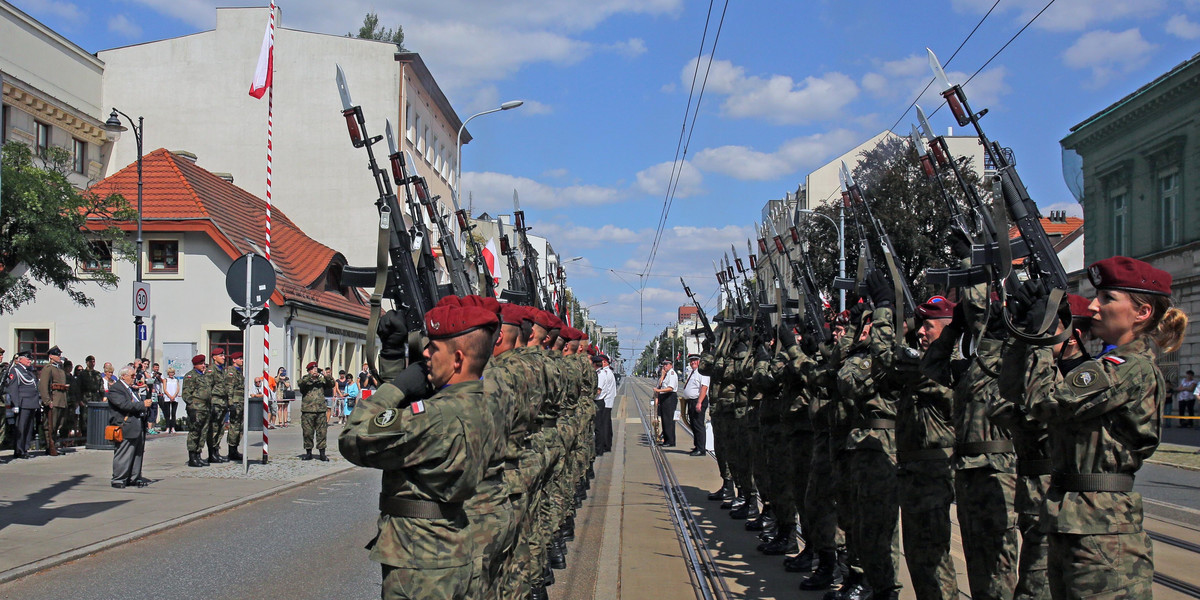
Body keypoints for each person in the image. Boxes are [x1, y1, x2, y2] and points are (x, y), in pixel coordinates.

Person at [1005, 257, 1188, 598]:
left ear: (1142, 312)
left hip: (1101, 533)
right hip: (1074, 520)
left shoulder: (1129, 368)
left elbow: (1046, 402)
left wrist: (1043, 335)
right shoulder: (1110, 365)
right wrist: (1024, 331)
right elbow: (1014, 389)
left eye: (1107, 299)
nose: (1093, 306)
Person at [340, 296, 500, 600]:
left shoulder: (435, 417)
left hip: (420, 559)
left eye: (434, 348)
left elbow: (352, 438)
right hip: (455, 546)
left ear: (457, 359)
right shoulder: (484, 403)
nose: (425, 353)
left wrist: (396, 388)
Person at [109, 364, 153, 488]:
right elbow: (124, 405)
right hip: (125, 425)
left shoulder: (132, 389)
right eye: (132, 376)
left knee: (137, 453)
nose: (134, 378)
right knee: (124, 453)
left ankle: (134, 477)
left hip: (137, 424)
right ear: (123, 376)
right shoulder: (116, 389)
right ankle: (119, 478)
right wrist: (142, 404)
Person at [5, 350, 40, 459]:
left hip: (32, 403)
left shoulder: (29, 371)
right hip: (23, 403)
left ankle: (25, 448)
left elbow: (35, 387)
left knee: (29, 428)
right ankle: (19, 450)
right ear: (21, 359)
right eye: (28, 359)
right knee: (21, 427)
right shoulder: (15, 371)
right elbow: (13, 388)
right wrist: (15, 404)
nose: (30, 361)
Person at [298, 362, 332, 461]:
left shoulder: (321, 380)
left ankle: (322, 453)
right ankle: (308, 453)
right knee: (308, 433)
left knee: (322, 433)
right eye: (313, 369)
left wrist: (326, 376)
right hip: (308, 411)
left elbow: (331, 384)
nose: (315, 371)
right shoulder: (305, 379)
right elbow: (301, 384)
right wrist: (310, 377)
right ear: (309, 370)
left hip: (320, 410)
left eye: (316, 369)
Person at [37, 346, 68, 456]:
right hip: (53, 399)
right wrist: (47, 401)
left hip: (61, 400)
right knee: (50, 425)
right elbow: (43, 386)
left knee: (58, 424)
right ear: (51, 356)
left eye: (59, 354)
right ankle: (50, 446)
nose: (59, 356)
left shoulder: (59, 368)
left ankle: (54, 444)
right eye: (57, 354)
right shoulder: (48, 368)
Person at [182, 354, 211, 468]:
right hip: (196, 408)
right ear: (195, 365)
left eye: (204, 363)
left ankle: (198, 454)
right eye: (201, 364)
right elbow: (186, 394)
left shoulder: (204, 376)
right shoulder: (191, 376)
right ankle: (192, 457)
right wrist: (192, 407)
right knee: (195, 432)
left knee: (203, 432)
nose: (204, 366)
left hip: (205, 408)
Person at [680, 353, 710, 456]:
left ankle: (701, 449)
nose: (693, 362)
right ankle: (697, 446)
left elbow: (704, 388)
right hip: (692, 401)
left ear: (699, 361)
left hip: (698, 401)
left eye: (695, 360)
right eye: (691, 360)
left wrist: (699, 402)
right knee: (693, 424)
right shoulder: (693, 372)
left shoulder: (702, 373)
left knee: (698, 425)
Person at [205, 348, 231, 463]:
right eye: (221, 355)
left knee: (220, 429)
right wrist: (210, 404)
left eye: (223, 355)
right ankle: (212, 454)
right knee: (214, 429)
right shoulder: (211, 370)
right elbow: (207, 388)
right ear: (214, 357)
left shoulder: (222, 370)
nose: (223, 357)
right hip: (215, 403)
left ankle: (216, 452)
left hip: (222, 403)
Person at [653, 360, 679, 447]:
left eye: (666, 365)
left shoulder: (672, 374)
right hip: (664, 398)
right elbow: (659, 385)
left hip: (669, 397)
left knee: (669, 420)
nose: (664, 366)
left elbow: (670, 388)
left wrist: (659, 391)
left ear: (671, 365)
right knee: (665, 420)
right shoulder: (666, 375)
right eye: (663, 365)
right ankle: (666, 440)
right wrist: (662, 375)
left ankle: (670, 441)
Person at [594, 354, 616, 455]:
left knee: (603, 425)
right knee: (605, 425)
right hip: (607, 401)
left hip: (605, 401)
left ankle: (604, 445)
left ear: (605, 362)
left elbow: (602, 388)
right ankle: (606, 445)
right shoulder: (608, 372)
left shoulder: (605, 372)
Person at [161, 367, 180, 433]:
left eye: (172, 372)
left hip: (175, 398)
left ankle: (173, 427)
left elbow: (177, 389)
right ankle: (167, 427)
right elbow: (165, 389)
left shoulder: (176, 380)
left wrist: (174, 396)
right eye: (170, 372)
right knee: (167, 413)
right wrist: (170, 396)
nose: (171, 374)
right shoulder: (165, 380)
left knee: (173, 413)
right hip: (167, 398)